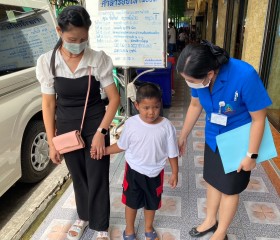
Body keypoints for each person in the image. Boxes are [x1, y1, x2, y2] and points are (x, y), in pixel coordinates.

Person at [36, 6, 120, 240]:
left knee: (97, 175)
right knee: (78, 176)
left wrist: (101, 132)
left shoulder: (98, 59)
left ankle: (101, 226)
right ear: (59, 31)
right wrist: (52, 142)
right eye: (72, 39)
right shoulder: (47, 62)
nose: (78, 44)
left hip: (95, 123)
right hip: (66, 129)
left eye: (83, 39)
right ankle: (83, 217)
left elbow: (114, 99)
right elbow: (49, 105)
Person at [176, 40, 272, 240]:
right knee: (212, 181)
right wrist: (183, 135)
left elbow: (259, 118)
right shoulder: (198, 76)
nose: (189, 83)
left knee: (229, 189)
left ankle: (221, 232)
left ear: (210, 74)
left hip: (239, 140)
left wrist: (251, 155)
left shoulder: (245, 75)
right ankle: (210, 220)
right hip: (214, 136)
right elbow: (195, 105)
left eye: (191, 80)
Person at [93, 83, 179, 240]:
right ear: (137, 105)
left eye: (156, 107)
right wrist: (104, 151)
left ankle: (148, 228)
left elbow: (172, 152)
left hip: (155, 173)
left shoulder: (167, 127)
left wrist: (175, 172)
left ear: (160, 105)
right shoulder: (131, 123)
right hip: (133, 172)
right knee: (131, 203)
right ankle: (129, 230)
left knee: (151, 204)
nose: (151, 112)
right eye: (146, 108)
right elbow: (121, 145)